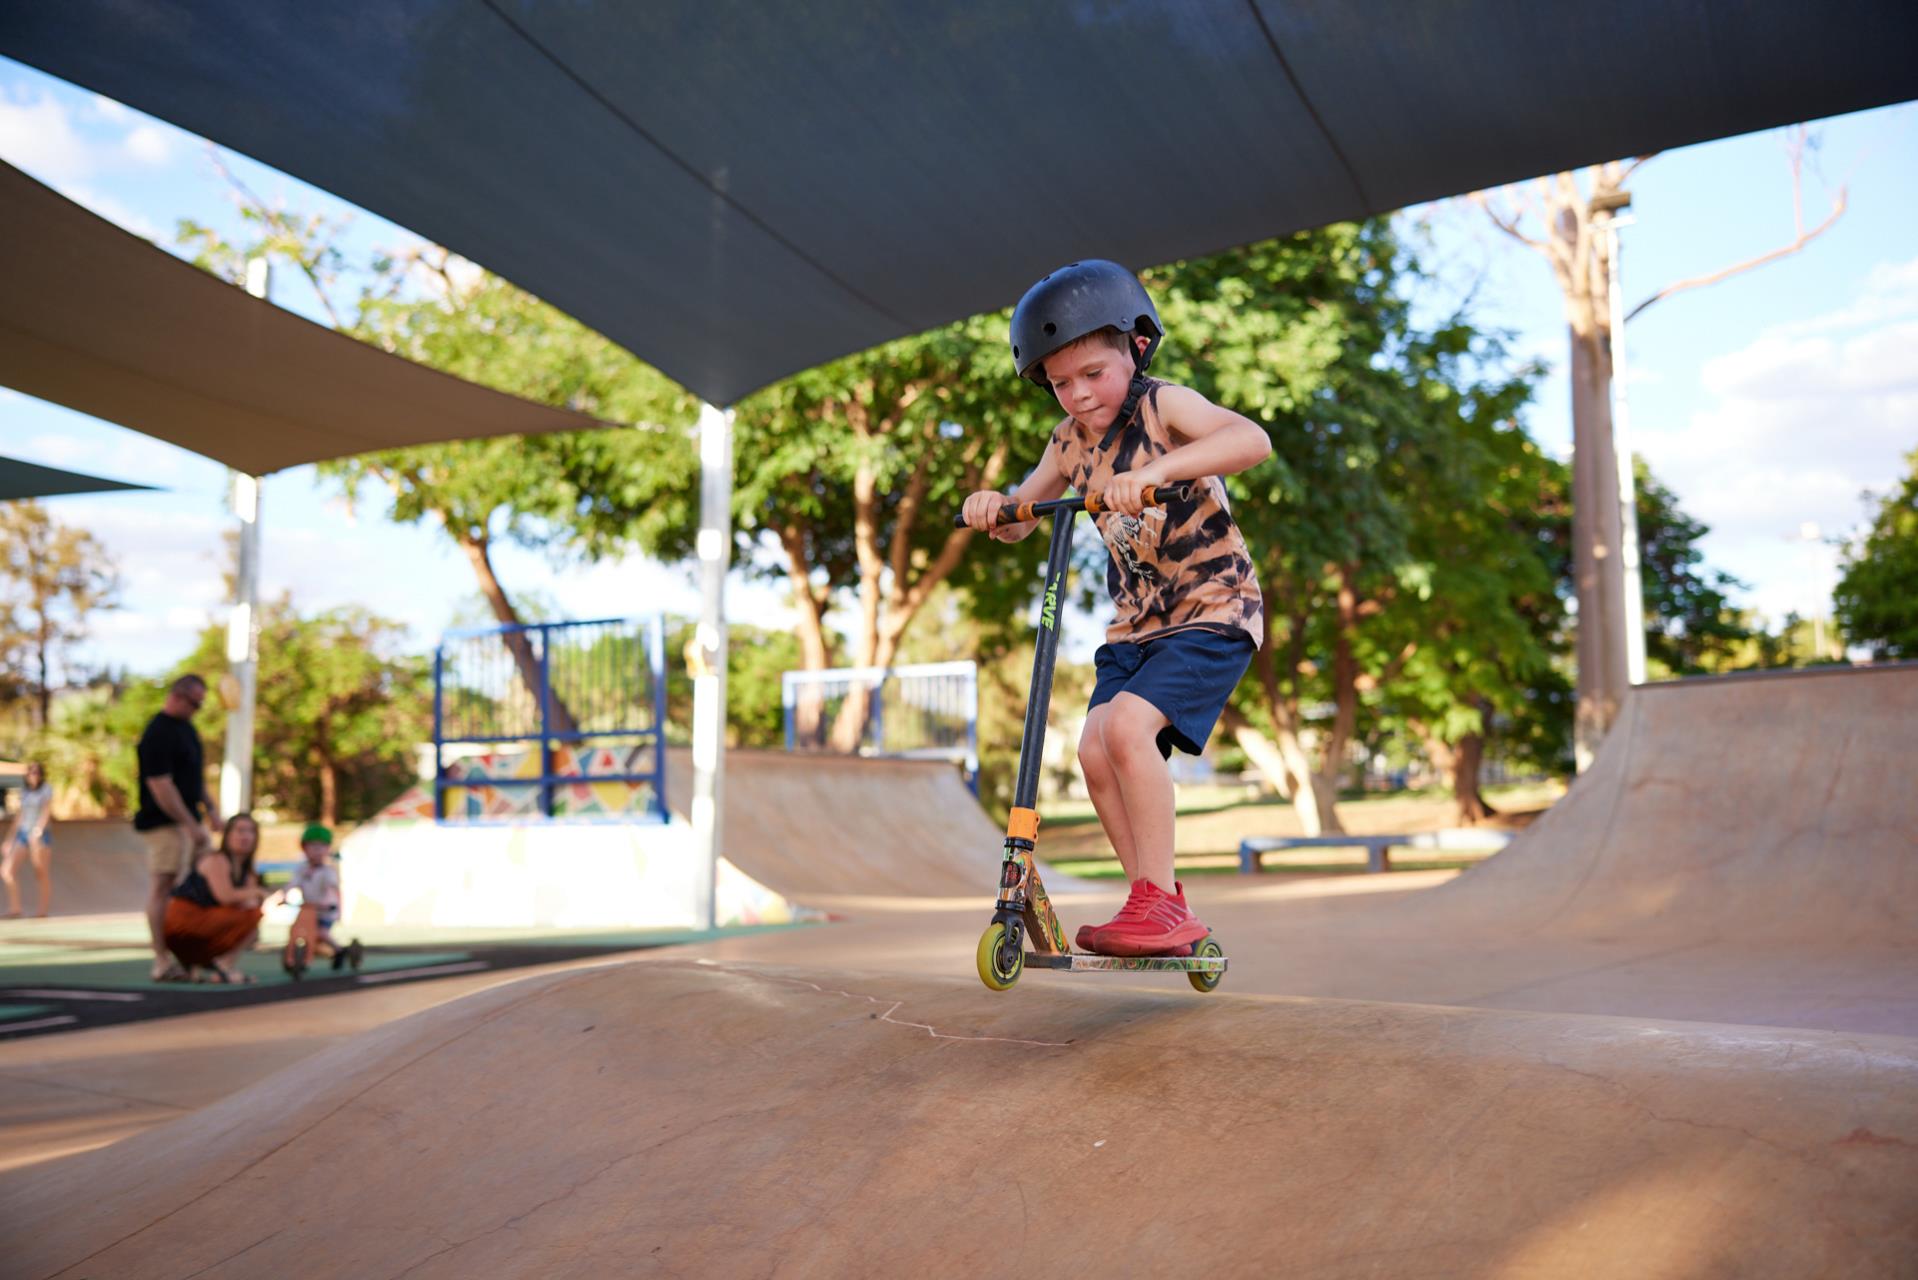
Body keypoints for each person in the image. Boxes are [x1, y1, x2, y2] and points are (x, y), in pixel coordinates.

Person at [961, 260, 1271, 957]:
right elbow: (1022, 514)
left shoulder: (1166, 406)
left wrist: (1159, 471)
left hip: (1212, 608)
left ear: (1135, 346)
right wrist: (994, 507)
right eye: (1059, 383)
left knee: (1129, 729)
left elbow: (1251, 440)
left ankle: (1156, 902)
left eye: (1092, 373)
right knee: (1095, 749)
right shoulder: (1069, 443)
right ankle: (1156, 903)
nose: (1076, 395)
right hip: (1135, 628)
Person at [134, 674, 222, 981]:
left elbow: (193, 779)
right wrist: (188, 823)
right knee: (164, 885)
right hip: (164, 824)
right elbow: (161, 785)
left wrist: (211, 809)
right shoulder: (157, 732)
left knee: (202, 884)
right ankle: (162, 959)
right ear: (178, 696)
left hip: (191, 823)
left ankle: (193, 953)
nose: (197, 710)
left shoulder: (188, 730)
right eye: (195, 704)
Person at [163, 811, 265, 983]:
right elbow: (225, 895)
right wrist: (257, 892)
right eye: (240, 830)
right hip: (183, 921)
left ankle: (203, 964)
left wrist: (253, 895)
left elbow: (247, 901)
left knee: (251, 923)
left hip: (206, 922)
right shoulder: (217, 860)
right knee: (252, 914)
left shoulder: (246, 870)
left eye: (250, 831)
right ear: (228, 835)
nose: (245, 836)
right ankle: (223, 964)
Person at [3, 761, 54, 918]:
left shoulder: (46, 790)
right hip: (23, 834)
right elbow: (20, 816)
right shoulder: (25, 792)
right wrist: (9, 839)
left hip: (40, 836)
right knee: (6, 871)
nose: (34, 775)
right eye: (31, 772)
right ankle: (15, 909)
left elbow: (46, 812)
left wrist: (37, 832)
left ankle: (42, 911)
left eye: (37, 772)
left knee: (40, 872)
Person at [283, 823, 343, 955]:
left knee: (321, 933)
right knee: (298, 928)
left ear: (327, 849)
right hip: (308, 908)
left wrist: (329, 903)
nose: (317, 851)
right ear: (304, 848)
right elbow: (293, 883)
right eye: (312, 846)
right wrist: (284, 896)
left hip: (325, 911)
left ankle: (339, 950)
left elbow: (331, 888)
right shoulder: (302, 869)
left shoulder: (327, 872)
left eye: (321, 847)